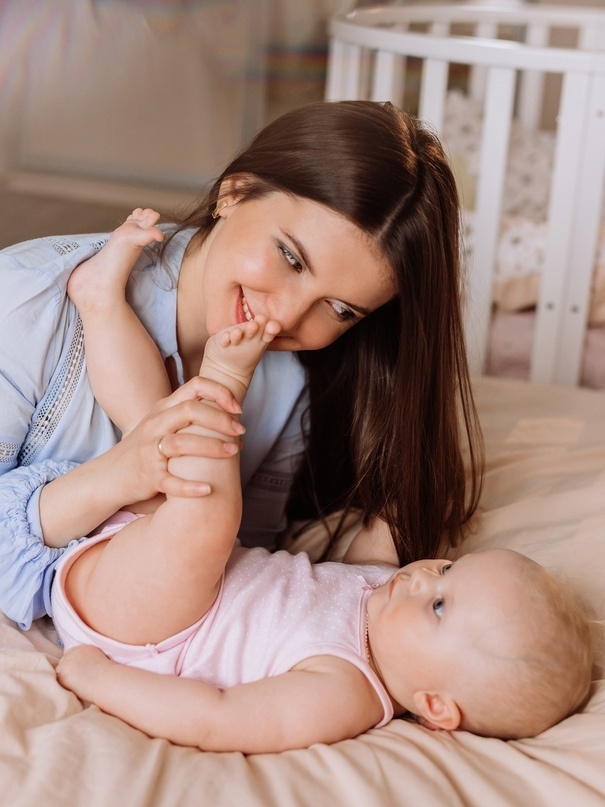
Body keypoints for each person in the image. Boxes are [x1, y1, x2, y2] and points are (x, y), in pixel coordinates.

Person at [48, 217, 592, 751]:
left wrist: (99, 681)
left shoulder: (345, 690)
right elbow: (371, 559)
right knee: (156, 433)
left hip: (148, 629)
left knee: (206, 510)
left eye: (440, 607)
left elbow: (219, 720)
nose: (424, 578)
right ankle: (101, 305)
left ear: (435, 706)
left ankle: (221, 380)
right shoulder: (382, 601)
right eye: (448, 569)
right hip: (161, 569)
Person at [0, 100, 483, 632]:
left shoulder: (289, 381)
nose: (284, 318)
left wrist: (380, 541)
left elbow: (229, 562)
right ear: (234, 192)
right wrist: (120, 476)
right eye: (292, 258)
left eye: (341, 309)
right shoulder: (24, 305)